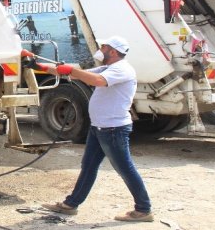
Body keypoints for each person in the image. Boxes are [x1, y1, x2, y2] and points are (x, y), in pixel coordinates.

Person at [35, 35, 154, 222]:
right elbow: (80, 74)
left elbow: (97, 80)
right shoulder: (109, 67)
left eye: (104, 47)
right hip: (100, 127)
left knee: (125, 168)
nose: (101, 49)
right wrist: (38, 66)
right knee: (88, 166)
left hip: (113, 129)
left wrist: (71, 70)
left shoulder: (122, 69)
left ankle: (143, 209)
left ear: (113, 51)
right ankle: (70, 204)